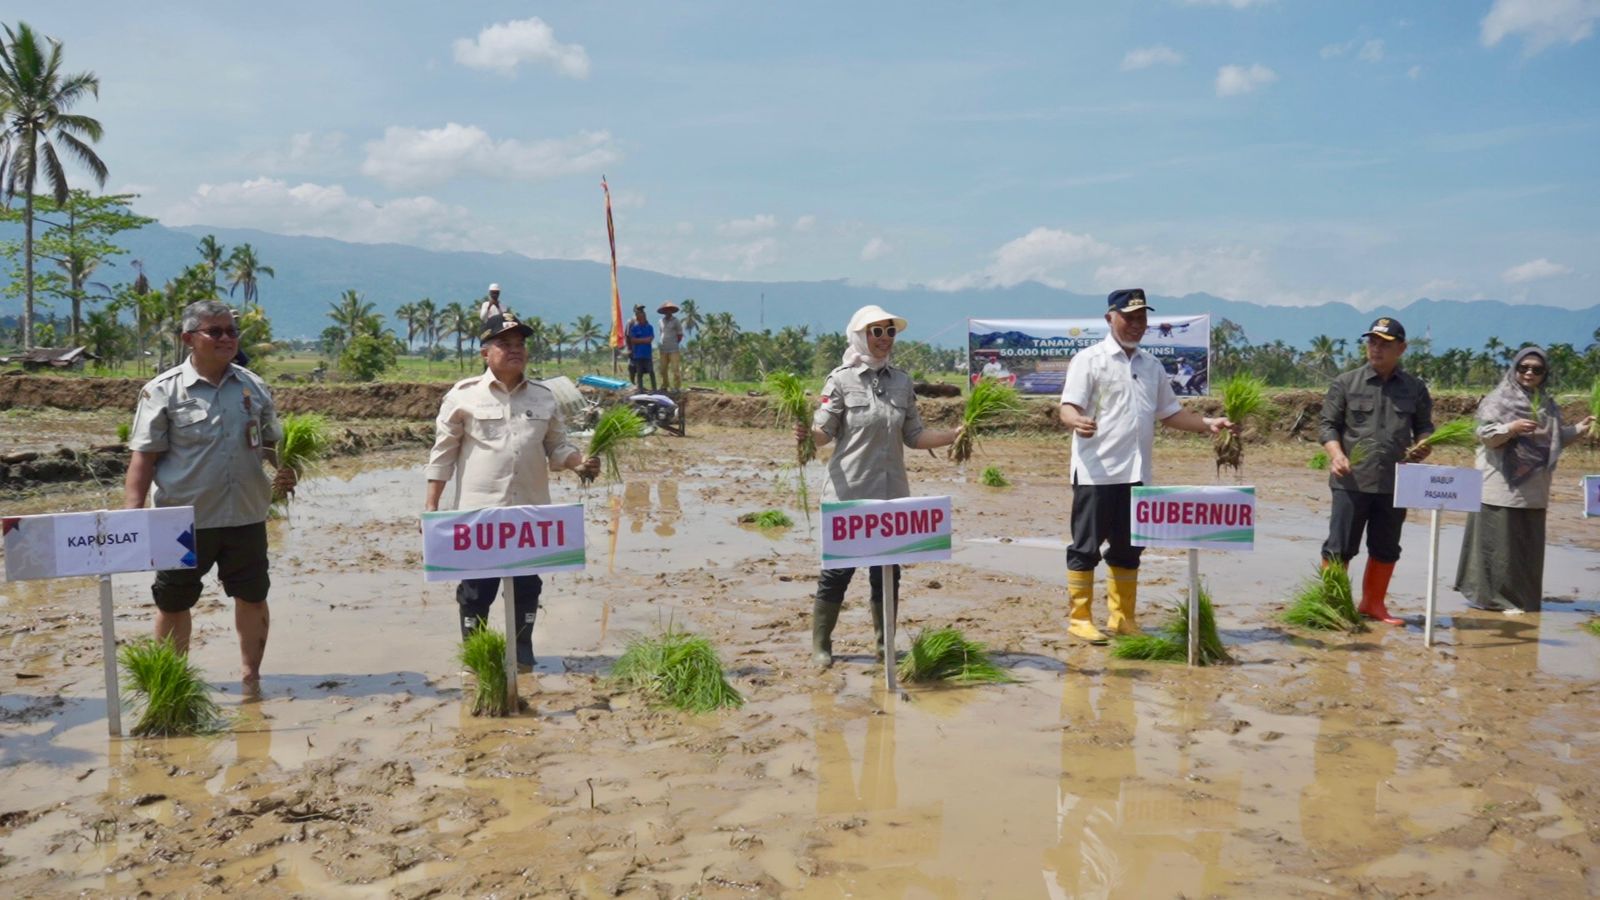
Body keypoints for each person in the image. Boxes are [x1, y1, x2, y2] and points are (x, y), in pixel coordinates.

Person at [123, 300, 297, 691]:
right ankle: (170, 683)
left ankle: (251, 677)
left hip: (246, 514)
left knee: (253, 596)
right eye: (214, 331)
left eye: (231, 331)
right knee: (173, 600)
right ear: (189, 338)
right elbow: (143, 458)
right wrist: (132, 515)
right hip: (182, 520)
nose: (226, 338)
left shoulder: (253, 387)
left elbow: (272, 445)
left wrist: (288, 467)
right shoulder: (163, 390)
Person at [423, 311, 600, 670]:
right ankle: (477, 658)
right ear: (485, 352)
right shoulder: (463, 396)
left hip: (528, 514)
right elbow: (443, 454)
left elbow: (557, 446)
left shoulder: (543, 397)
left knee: (526, 586)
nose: (515, 350)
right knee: (476, 590)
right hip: (480, 514)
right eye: (505, 344)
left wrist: (579, 462)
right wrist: (431, 508)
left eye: (520, 344)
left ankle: (521, 653)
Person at [1057, 289, 1233, 644]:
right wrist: (1076, 421)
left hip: (1136, 475)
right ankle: (1080, 619)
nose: (1137, 324)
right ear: (1110, 318)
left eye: (1142, 318)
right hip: (1097, 472)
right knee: (1086, 547)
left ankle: (1122, 619)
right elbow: (1067, 407)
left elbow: (1171, 414)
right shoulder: (1089, 360)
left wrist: (1208, 424)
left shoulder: (1151, 365)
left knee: (1128, 548)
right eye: (1129, 317)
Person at [798, 305, 963, 668]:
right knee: (837, 574)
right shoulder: (840, 380)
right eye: (876, 332)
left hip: (891, 495)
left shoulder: (902, 382)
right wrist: (806, 434)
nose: (885, 339)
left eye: (890, 332)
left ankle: (883, 645)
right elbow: (824, 433)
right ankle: (821, 646)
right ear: (860, 335)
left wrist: (952, 436)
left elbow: (914, 436)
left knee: (887, 574)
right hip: (849, 494)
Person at [1454, 347, 1593, 615]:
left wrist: (1578, 429)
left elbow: (1552, 439)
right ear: (1514, 369)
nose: (1529, 373)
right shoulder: (1498, 400)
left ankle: (1521, 599)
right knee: (1499, 547)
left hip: (1534, 489)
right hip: (1500, 486)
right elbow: (1485, 436)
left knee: (1526, 547)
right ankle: (1494, 600)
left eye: (1537, 369)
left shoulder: (1547, 405)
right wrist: (1511, 428)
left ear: (1545, 374)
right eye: (1524, 367)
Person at [1319, 316, 1434, 625]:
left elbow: (1424, 427)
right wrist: (1336, 454)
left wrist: (1424, 444)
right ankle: (1331, 607)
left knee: (1386, 547)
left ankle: (1373, 604)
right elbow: (1328, 426)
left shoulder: (1414, 388)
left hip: (1395, 482)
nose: (1376, 348)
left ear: (1402, 349)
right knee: (1340, 547)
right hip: (1351, 480)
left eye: (1384, 344)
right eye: (1372, 342)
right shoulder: (1346, 383)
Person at [657, 302, 686, 392]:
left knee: (675, 369)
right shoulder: (660, 321)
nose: (668, 311)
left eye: (669, 310)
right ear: (664, 312)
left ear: (672, 311)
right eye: (666, 310)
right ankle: (665, 385)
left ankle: (677, 387)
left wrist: (674, 342)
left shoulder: (676, 321)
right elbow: (661, 333)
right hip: (663, 349)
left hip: (673, 349)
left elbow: (680, 335)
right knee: (663, 369)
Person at [626, 304, 656, 391]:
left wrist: (641, 340)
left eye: (642, 310)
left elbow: (650, 338)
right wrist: (630, 349)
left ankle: (654, 389)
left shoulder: (648, 325)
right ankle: (638, 387)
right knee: (635, 370)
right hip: (635, 351)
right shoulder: (631, 322)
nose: (640, 312)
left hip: (646, 353)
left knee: (650, 370)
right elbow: (629, 338)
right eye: (638, 310)